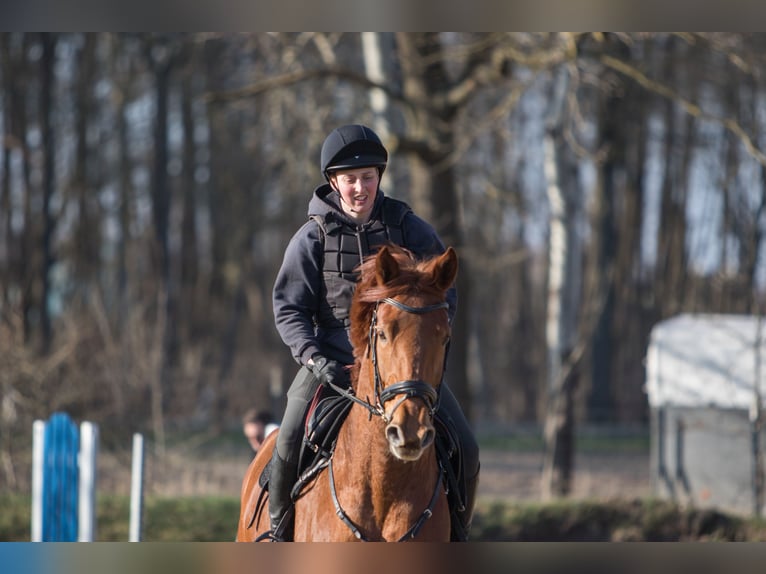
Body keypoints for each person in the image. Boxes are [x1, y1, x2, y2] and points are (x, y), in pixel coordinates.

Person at [268, 123, 479, 541]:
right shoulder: (312, 237)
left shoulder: (410, 228)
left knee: (467, 447)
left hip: (403, 367)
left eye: (368, 177)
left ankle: (458, 537)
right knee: (288, 439)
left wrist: (424, 343)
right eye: (350, 180)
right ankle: (278, 534)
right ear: (334, 182)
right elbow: (288, 308)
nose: (360, 188)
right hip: (330, 361)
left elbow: (442, 292)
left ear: (379, 177)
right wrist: (312, 356)